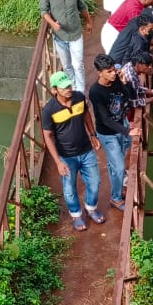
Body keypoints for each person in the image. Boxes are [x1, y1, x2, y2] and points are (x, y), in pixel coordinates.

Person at [41, 71, 104, 231]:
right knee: (69, 189)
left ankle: (91, 208)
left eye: (69, 85)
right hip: (66, 156)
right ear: (55, 90)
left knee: (95, 182)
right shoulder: (49, 110)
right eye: (63, 88)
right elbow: (47, 136)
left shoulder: (79, 97)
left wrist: (92, 134)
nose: (68, 89)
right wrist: (58, 162)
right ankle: (76, 215)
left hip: (86, 150)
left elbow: (86, 115)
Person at [39, 0, 92, 95]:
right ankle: (73, 87)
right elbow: (44, 11)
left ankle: (81, 93)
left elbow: (83, 8)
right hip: (60, 36)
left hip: (75, 34)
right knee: (67, 65)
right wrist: (52, 23)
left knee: (78, 65)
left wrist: (89, 22)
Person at [88, 55, 131, 212]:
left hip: (119, 127)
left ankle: (117, 189)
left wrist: (124, 83)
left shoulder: (117, 80)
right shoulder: (95, 91)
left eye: (114, 70)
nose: (114, 73)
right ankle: (116, 198)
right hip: (107, 134)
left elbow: (128, 98)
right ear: (100, 73)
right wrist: (127, 130)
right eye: (109, 71)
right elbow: (105, 119)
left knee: (115, 165)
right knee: (119, 167)